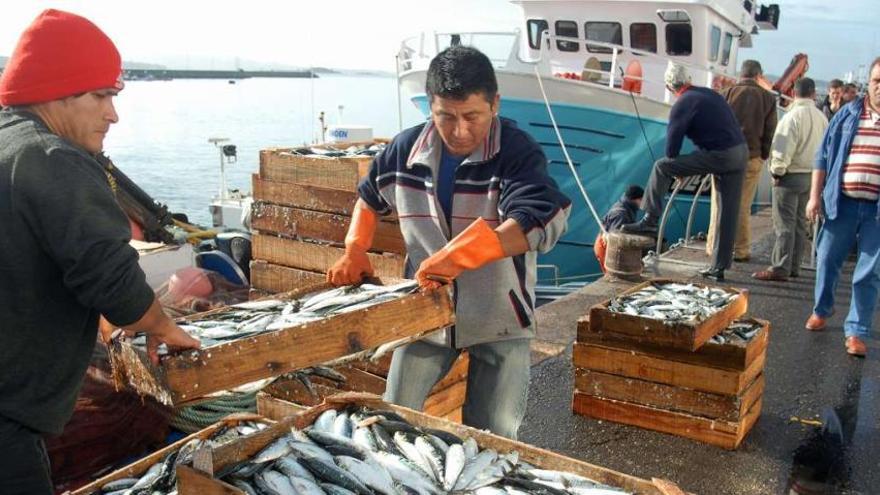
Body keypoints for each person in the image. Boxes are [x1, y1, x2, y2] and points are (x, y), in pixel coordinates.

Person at [0, 10, 200, 493]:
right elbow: (112, 280)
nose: (113, 113)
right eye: (102, 95)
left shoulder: (8, 143)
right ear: (57, 90)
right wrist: (163, 326)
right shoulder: (52, 157)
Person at [326, 46, 570, 439]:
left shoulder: (516, 151)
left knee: (494, 435)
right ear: (431, 108)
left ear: (495, 104)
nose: (459, 130)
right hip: (425, 311)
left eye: (472, 116)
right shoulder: (404, 151)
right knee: (393, 417)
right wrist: (355, 247)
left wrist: (468, 253)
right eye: (446, 116)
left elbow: (542, 217)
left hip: (500, 316)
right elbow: (370, 198)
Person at [622, 62, 748, 281]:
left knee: (661, 166)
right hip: (740, 153)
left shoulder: (683, 103)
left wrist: (677, 167)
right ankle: (719, 267)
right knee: (727, 213)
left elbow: (672, 145)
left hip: (721, 156)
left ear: (671, 87)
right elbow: (715, 128)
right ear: (688, 80)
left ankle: (650, 221)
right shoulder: (709, 94)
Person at [804, 57, 880, 358]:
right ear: (869, 83)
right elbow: (822, 157)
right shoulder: (847, 114)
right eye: (877, 81)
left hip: (876, 211)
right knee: (826, 259)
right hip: (842, 203)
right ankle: (822, 310)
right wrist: (814, 196)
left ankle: (857, 331)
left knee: (869, 272)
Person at [753, 78, 829, 281]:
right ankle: (794, 266)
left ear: (794, 93)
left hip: (790, 175)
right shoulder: (822, 118)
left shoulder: (791, 117)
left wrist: (777, 172)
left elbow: (782, 147)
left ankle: (780, 267)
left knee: (784, 224)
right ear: (814, 94)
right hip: (811, 177)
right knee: (799, 225)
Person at [706, 60, 778, 263]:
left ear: (741, 74)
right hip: (751, 156)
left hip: (724, 155)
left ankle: (713, 245)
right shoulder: (767, 98)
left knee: (718, 204)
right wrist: (763, 154)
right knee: (742, 205)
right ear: (758, 75)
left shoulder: (726, 94)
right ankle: (740, 249)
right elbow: (770, 130)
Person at [593, 185, 644, 273]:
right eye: (642, 200)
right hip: (606, 248)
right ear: (636, 199)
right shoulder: (621, 215)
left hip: (607, 242)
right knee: (613, 274)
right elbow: (614, 241)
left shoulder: (626, 205)